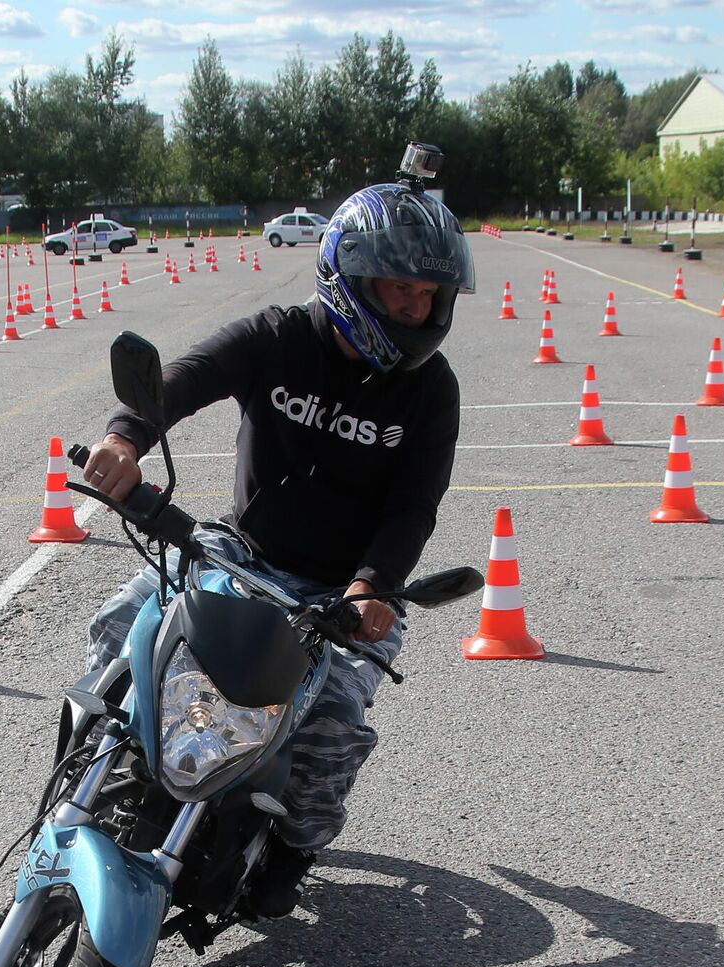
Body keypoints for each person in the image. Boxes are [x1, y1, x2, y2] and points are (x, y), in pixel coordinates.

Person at [80, 147, 475, 918]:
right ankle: (101, 765)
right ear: (351, 274)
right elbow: (187, 377)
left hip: (344, 592)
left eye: (427, 295)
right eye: (399, 288)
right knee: (123, 625)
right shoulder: (280, 336)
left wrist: (373, 588)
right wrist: (126, 436)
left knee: (330, 726)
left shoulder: (433, 391)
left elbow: (413, 508)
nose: (413, 308)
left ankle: (293, 847)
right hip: (239, 555)